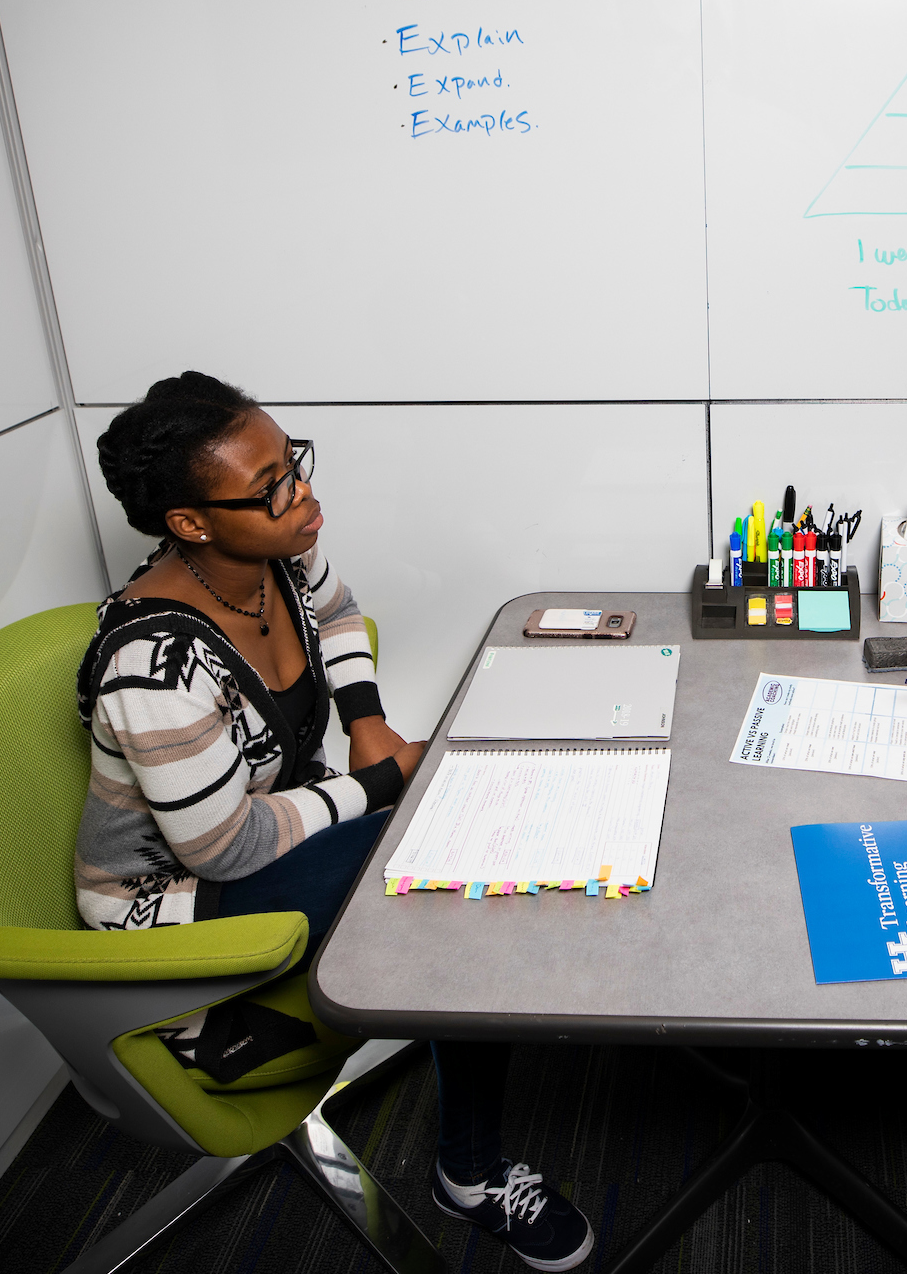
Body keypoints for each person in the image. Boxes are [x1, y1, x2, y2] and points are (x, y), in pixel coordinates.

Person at [79, 372, 593, 1271]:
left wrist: (365, 723)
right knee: (456, 882)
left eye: (294, 464)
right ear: (192, 523)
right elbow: (224, 847)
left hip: (268, 829)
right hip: (174, 902)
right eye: (270, 485)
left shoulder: (273, 554)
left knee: (459, 836)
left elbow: (341, 612)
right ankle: (467, 1175)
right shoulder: (150, 671)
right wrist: (385, 779)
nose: (302, 495)